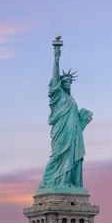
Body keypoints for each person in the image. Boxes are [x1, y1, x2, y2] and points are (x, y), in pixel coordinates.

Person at [38, 38, 93, 192]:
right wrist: (57, 56)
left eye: (70, 82)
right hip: (61, 131)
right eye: (66, 81)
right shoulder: (57, 96)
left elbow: (76, 122)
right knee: (57, 155)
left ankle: (68, 183)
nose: (69, 83)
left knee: (73, 158)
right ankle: (49, 182)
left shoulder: (72, 100)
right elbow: (55, 75)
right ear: (60, 84)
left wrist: (84, 120)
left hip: (74, 134)